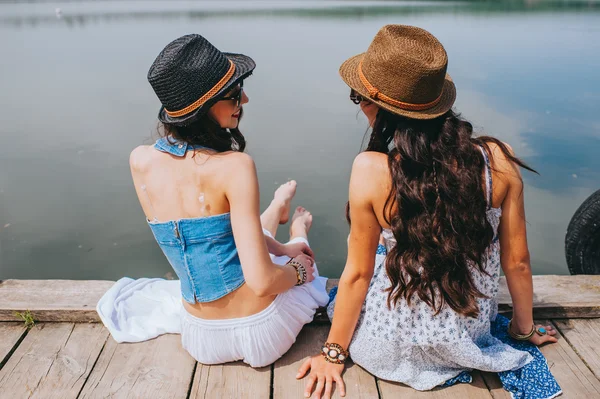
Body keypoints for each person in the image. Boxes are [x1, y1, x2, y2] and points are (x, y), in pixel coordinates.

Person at [297, 25, 561, 399]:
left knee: (372, 254)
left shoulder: (370, 170)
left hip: (388, 347)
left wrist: (333, 354)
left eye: (360, 98)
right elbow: (517, 261)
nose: (361, 106)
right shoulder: (497, 160)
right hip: (469, 338)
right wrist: (523, 330)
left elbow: (356, 276)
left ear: (380, 107)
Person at [101, 33, 329, 368]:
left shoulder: (139, 160)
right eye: (235, 95)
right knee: (307, 266)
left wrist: (279, 253)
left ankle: (276, 214)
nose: (245, 100)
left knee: (252, 239)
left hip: (200, 337)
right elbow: (263, 282)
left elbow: (216, 247)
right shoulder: (234, 167)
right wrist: (297, 269)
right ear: (205, 109)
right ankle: (296, 227)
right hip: (261, 333)